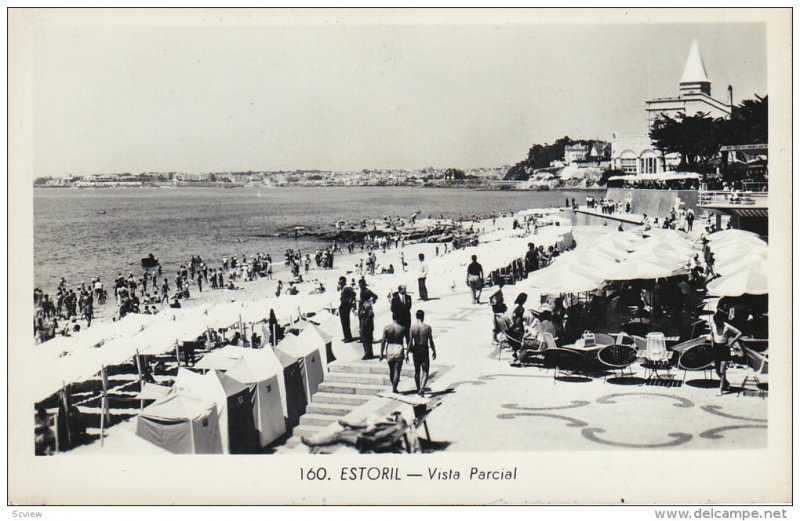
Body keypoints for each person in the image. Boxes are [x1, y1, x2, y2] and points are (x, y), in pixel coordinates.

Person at [707, 311, 743, 395]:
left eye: (718, 322)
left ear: (722, 320)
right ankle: (725, 383)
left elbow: (739, 333)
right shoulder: (713, 325)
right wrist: (711, 342)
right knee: (717, 371)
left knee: (722, 371)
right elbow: (712, 333)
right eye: (715, 322)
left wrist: (732, 342)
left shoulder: (727, 326)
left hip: (724, 348)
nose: (717, 324)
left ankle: (721, 390)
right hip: (716, 348)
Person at [408, 310, 436, 397]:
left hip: (416, 349)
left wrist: (406, 353)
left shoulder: (412, 328)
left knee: (417, 370)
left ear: (416, 317)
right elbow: (430, 341)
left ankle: (418, 388)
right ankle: (422, 388)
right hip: (424, 349)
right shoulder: (427, 327)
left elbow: (409, 342)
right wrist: (434, 351)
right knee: (425, 371)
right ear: (423, 317)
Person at [380, 317, 409, 393]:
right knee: (397, 370)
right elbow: (408, 340)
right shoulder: (402, 328)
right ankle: (394, 388)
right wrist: (407, 353)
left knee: (391, 370)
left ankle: (394, 385)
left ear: (392, 317)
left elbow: (383, 341)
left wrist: (381, 353)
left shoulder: (387, 328)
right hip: (399, 347)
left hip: (389, 347)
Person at [337, 276, 356, 343]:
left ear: (344, 281)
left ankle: (348, 338)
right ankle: (346, 337)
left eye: (341, 280)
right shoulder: (342, 288)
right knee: (343, 323)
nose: (339, 282)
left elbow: (353, 294)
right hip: (343, 306)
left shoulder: (347, 287)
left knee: (346, 322)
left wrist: (349, 302)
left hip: (346, 306)